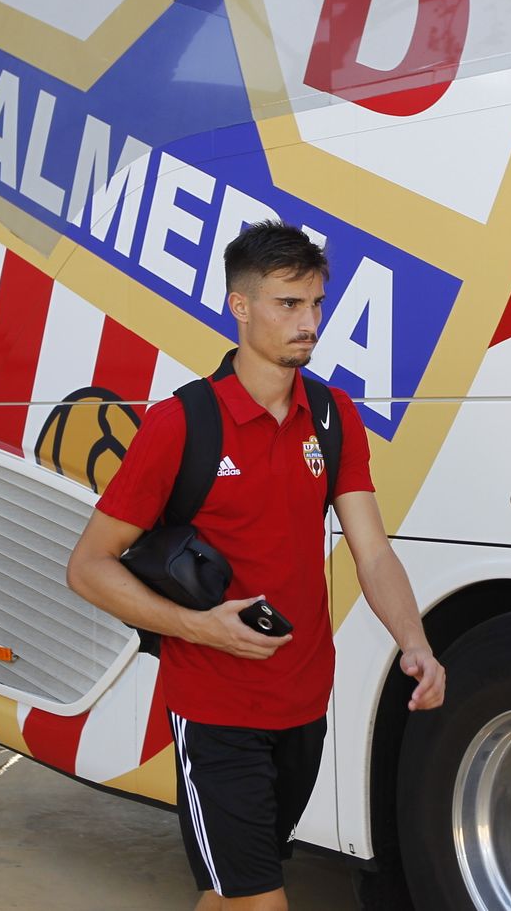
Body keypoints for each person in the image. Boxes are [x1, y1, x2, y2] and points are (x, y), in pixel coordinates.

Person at [67, 221, 446, 911]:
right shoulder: (181, 423)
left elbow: (372, 549)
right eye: (288, 304)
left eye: (317, 304)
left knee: (232, 891)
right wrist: (199, 625)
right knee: (262, 899)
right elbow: (89, 566)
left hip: (304, 704)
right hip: (216, 709)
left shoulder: (332, 416)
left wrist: (415, 642)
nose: (309, 323)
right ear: (240, 306)